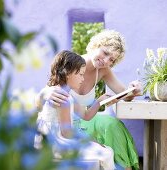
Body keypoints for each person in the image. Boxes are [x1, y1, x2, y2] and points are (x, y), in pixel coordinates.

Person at [35, 30, 141, 170]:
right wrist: (44, 94)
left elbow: (124, 94)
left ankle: (125, 167)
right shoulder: (72, 64)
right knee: (103, 150)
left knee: (113, 125)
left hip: (79, 122)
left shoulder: (103, 70)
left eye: (112, 60)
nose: (106, 60)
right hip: (61, 132)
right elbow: (44, 101)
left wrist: (133, 90)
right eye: (105, 52)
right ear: (96, 45)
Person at [34, 50, 115, 170]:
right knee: (106, 153)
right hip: (54, 144)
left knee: (103, 149)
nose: (83, 79)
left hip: (50, 141)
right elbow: (67, 133)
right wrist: (91, 141)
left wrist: (99, 102)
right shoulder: (62, 97)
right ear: (67, 73)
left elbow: (86, 115)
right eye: (80, 74)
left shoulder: (66, 94)